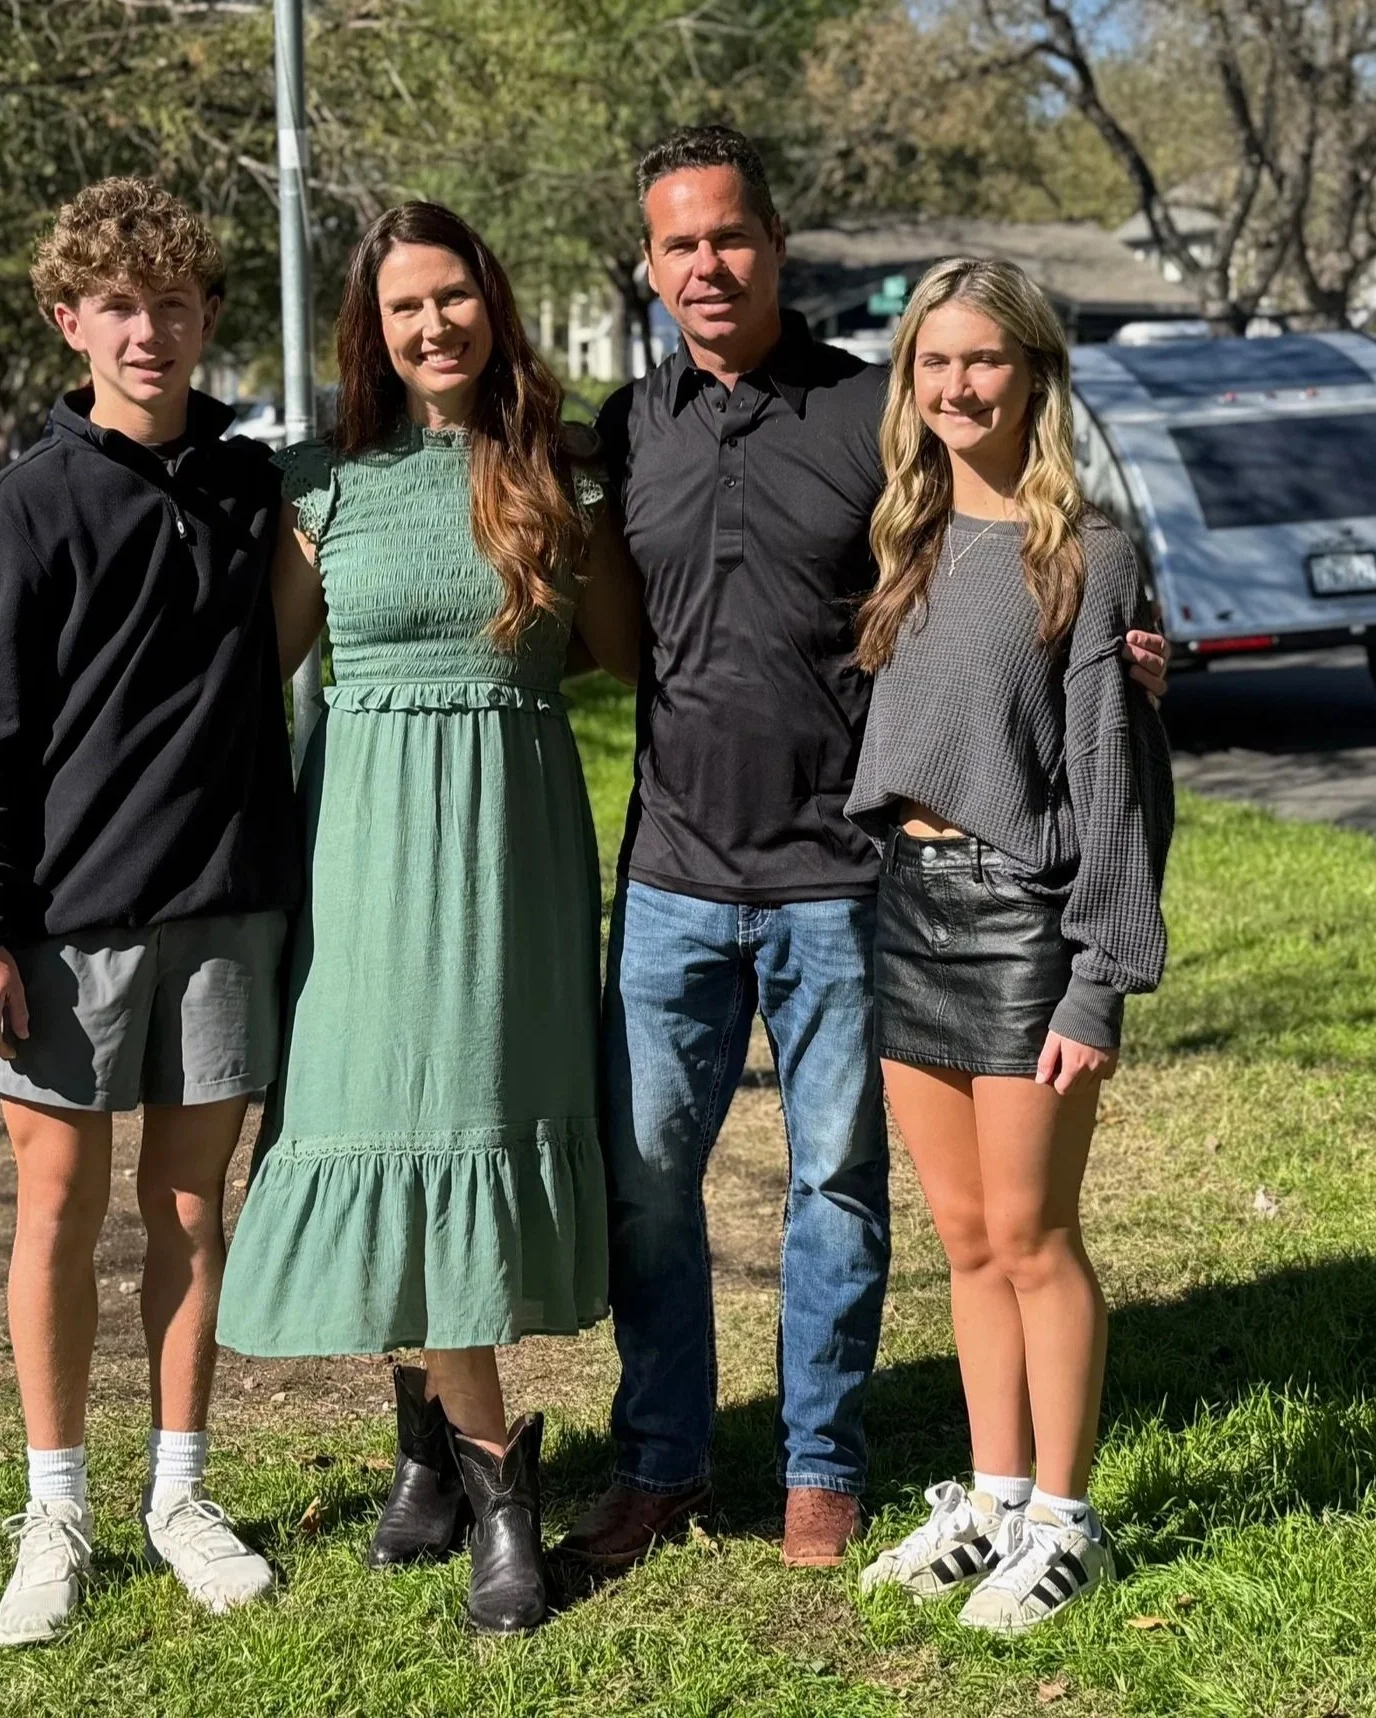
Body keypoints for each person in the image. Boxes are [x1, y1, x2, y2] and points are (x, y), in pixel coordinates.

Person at [559, 126, 1170, 1575]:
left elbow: (1022, 595)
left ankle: (822, 1467)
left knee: (838, 1183)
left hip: (847, 876)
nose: (705, 265)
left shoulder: (866, 416)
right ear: (646, 269)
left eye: (728, 237)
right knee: (646, 1180)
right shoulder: (624, 425)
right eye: (675, 246)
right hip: (669, 869)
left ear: (771, 244)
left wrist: (1131, 660)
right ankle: (658, 1458)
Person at [217, 200, 638, 1635]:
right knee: (377, 1113)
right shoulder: (319, 482)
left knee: (460, 1118)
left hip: (509, 854)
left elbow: (622, 652)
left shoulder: (550, 472)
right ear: (371, 328)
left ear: (490, 303)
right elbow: (246, 677)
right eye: (404, 307)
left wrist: (600, 501)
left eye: (452, 296)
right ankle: (469, 1467)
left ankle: (461, 1464)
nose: (432, 325)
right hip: (357, 851)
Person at [0, 178, 301, 1647]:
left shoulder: (251, 481)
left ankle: (179, 1492)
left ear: (208, 315)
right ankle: (57, 1505)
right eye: (120, 306)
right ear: (70, 320)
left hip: (222, 910)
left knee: (195, 1213)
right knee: (58, 1212)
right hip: (62, 927)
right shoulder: (25, 504)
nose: (151, 331)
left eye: (176, 303)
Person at [849, 257, 1172, 1630]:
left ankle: (1064, 1517)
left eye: (982, 359)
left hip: (1024, 923)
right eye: (932, 361)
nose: (956, 385)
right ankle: (988, 1499)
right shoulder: (907, 535)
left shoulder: (1088, 554)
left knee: (1037, 1237)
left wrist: (1097, 975)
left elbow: (1115, 779)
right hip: (905, 909)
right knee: (965, 1239)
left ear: (1032, 371)